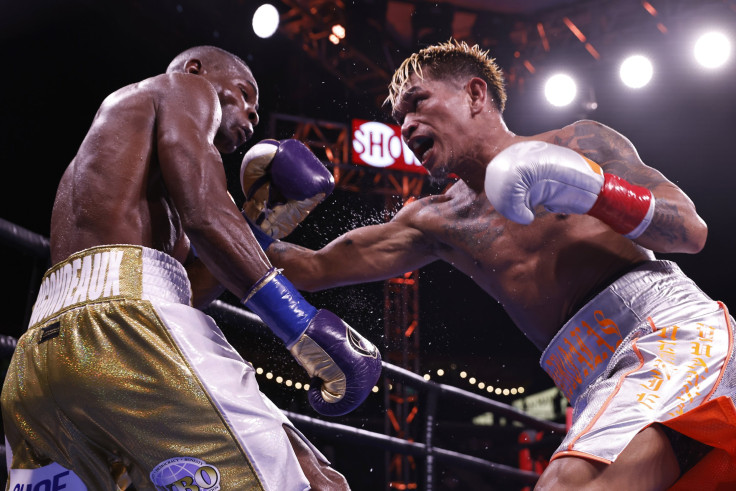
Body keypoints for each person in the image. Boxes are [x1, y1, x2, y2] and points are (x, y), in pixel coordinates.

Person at [244, 39, 736, 489]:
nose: (407, 126)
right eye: (399, 119)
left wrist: (594, 189)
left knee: (568, 484)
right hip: (591, 379)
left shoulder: (576, 144)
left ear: (475, 94)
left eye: (418, 102)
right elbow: (308, 269)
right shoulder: (433, 221)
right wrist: (255, 220)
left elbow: (689, 231)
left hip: (667, 332)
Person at [0, 45, 382, 490]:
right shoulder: (183, 87)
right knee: (311, 480)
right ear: (197, 69)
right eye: (243, 94)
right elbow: (205, 211)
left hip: (36, 362)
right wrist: (301, 322)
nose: (253, 116)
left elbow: (184, 297)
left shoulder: (131, 179)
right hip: (123, 333)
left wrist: (262, 223)